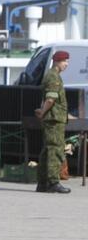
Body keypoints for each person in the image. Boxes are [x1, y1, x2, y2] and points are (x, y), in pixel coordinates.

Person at [34, 50, 71, 194]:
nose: (66, 64)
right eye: (64, 61)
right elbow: (51, 98)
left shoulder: (50, 76)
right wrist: (43, 112)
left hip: (53, 118)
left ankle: (43, 183)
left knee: (47, 150)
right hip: (54, 119)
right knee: (55, 150)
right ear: (56, 61)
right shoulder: (54, 77)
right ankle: (53, 182)